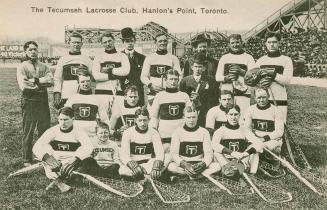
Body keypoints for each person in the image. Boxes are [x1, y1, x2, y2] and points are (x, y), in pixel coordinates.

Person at [16, 41, 53, 166]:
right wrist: (40, 84)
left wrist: (34, 81)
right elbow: (24, 86)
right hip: (29, 100)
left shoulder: (44, 66)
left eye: (35, 49)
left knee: (44, 129)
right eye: (30, 49)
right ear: (26, 52)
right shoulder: (22, 66)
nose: (33, 52)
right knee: (29, 130)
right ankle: (27, 159)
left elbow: (50, 81)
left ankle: (42, 156)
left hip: (42, 100)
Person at [32, 107, 93, 181]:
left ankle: (69, 175)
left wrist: (75, 160)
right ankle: (61, 175)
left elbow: (88, 146)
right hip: (56, 162)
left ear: (73, 119)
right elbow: (37, 146)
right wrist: (48, 158)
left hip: (72, 161)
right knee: (45, 146)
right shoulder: (53, 131)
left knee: (87, 159)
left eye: (66, 120)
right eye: (60, 119)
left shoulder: (79, 131)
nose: (63, 123)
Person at [168, 105, 221, 178]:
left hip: (199, 163)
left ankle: (190, 174)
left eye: (194, 117)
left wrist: (203, 164)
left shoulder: (204, 132)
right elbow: (174, 154)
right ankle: (199, 175)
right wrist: (185, 164)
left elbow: (209, 154)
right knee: (171, 167)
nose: (191, 120)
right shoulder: (177, 132)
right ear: (184, 118)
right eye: (188, 117)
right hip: (184, 164)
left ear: (197, 116)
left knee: (217, 166)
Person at [212, 105, 263, 176]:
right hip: (226, 160)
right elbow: (214, 145)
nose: (233, 117)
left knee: (255, 151)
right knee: (216, 152)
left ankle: (252, 174)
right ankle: (228, 170)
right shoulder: (220, 131)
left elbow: (259, 144)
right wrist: (232, 153)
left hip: (241, 159)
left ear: (239, 115)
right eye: (231, 114)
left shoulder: (244, 129)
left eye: (236, 114)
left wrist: (246, 153)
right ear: (226, 115)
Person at [150, 70, 191, 156]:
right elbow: (154, 116)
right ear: (165, 80)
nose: (173, 82)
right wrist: (154, 131)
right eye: (171, 79)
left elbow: (189, 115)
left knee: (181, 155)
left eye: (175, 79)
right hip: (165, 132)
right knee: (166, 155)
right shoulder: (159, 96)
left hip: (181, 130)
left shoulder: (184, 96)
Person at [244, 88, 284, 174]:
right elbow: (247, 129)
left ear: (268, 96)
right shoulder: (250, 109)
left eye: (264, 97)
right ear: (255, 98)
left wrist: (263, 139)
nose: (261, 100)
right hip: (256, 139)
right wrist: (255, 140)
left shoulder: (276, 110)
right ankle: (252, 171)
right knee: (255, 149)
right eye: (258, 97)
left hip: (271, 140)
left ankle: (275, 161)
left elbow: (279, 132)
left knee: (258, 148)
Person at [255, 32, 293, 123]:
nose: (272, 44)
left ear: (279, 43)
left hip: (280, 97)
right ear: (265, 44)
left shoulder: (286, 60)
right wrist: (261, 83)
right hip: (263, 99)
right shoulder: (261, 60)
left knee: (280, 125)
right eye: (269, 42)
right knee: (264, 124)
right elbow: (253, 79)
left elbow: (287, 80)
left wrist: (273, 75)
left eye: (274, 42)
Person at [215, 34, 255, 121]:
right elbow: (217, 77)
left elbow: (254, 77)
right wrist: (226, 78)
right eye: (232, 43)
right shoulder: (224, 58)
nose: (235, 45)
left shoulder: (248, 57)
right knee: (228, 117)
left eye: (237, 42)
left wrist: (241, 71)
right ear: (229, 45)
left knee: (242, 117)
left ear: (242, 43)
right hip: (227, 92)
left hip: (243, 93)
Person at [119, 107, 165, 181]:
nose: (142, 123)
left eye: (145, 120)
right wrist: (134, 166)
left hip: (148, 163)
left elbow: (160, 153)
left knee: (167, 158)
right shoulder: (128, 132)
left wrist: (156, 167)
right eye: (140, 120)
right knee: (122, 170)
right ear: (135, 120)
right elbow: (124, 155)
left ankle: (141, 176)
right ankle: (149, 177)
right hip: (134, 164)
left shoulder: (154, 132)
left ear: (149, 120)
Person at [92, 32, 130, 115]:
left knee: (117, 117)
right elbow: (96, 76)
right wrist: (115, 75)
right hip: (101, 92)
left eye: (109, 41)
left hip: (118, 91)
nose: (108, 44)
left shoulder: (122, 56)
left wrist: (109, 70)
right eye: (105, 42)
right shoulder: (98, 56)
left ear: (114, 40)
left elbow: (126, 71)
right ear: (102, 44)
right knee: (102, 118)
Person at [53, 32, 93, 109]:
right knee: (67, 115)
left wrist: (88, 73)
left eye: (78, 42)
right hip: (67, 91)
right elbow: (57, 78)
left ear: (81, 44)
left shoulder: (87, 59)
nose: (76, 45)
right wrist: (57, 94)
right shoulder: (63, 59)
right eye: (74, 42)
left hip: (84, 91)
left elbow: (94, 77)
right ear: (69, 43)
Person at [65, 70, 109, 136]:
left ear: (91, 81)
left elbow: (104, 119)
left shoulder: (97, 99)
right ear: (78, 83)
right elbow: (65, 116)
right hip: (75, 133)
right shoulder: (72, 99)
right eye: (82, 82)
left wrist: (108, 130)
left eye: (88, 81)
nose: (85, 84)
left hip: (92, 134)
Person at [141, 33, 181, 106]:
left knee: (166, 115)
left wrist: (171, 86)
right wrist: (150, 85)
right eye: (160, 41)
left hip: (168, 93)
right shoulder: (149, 57)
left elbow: (179, 76)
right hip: (153, 93)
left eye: (165, 41)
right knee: (152, 115)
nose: (163, 43)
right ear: (155, 43)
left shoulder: (173, 58)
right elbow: (143, 76)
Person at [180, 53, 220, 127]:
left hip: (205, 111)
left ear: (204, 68)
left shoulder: (210, 80)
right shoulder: (185, 81)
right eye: (195, 66)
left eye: (200, 67)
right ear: (192, 67)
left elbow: (215, 97)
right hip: (190, 112)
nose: (197, 69)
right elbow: (181, 97)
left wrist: (200, 99)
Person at [120, 27, 146, 106]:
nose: (130, 43)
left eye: (131, 41)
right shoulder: (118, 57)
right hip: (123, 91)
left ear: (134, 41)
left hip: (138, 92)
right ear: (123, 42)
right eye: (127, 41)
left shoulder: (142, 58)